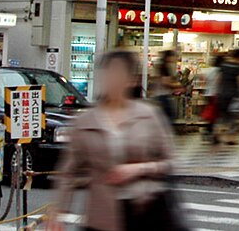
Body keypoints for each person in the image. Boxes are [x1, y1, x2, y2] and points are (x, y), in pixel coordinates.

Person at [48, 51, 176, 231]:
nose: (113, 79)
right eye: (108, 73)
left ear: (131, 80)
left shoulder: (148, 115)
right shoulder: (85, 121)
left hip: (144, 212)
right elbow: (68, 172)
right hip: (102, 216)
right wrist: (58, 211)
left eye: (119, 73)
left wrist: (139, 168)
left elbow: (169, 161)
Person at [148, 51, 180, 126]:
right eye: (174, 56)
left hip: (160, 95)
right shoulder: (164, 67)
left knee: (165, 117)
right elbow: (165, 82)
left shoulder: (162, 66)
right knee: (170, 116)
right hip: (163, 95)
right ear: (169, 57)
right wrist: (177, 86)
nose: (175, 58)